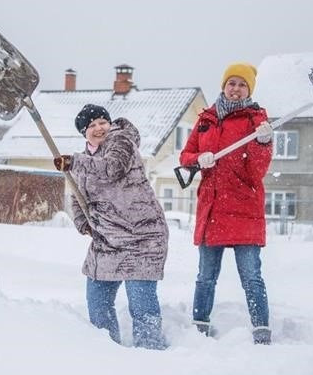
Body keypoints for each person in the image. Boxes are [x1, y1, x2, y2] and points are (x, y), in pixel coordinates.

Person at [53, 104, 169, 350]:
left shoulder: (121, 140)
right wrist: (83, 224)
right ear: (84, 133)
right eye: (91, 126)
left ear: (110, 123)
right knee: (98, 303)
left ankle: (152, 355)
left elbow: (112, 168)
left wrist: (74, 162)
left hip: (142, 236)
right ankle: (107, 354)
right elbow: (75, 195)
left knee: (141, 305)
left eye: (102, 122)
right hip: (107, 240)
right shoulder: (84, 160)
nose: (98, 128)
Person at [179, 63, 274, 344]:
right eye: (231, 83)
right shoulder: (207, 119)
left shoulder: (257, 121)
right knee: (205, 277)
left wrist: (263, 143)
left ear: (249, 90)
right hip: (212, 209)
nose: (235, 88)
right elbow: (185, 155)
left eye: (241, 84)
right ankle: (199, 328)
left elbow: (258, 170)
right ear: (223, 86)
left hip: (245, 208)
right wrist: (199, 159)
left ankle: (261, 331)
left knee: (251, 277)